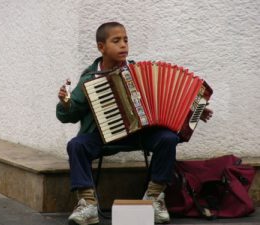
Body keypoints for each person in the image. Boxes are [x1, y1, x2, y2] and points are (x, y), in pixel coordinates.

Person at [56, 22, 213, 225]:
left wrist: (192, 111)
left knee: (168, 138)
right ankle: (87, 204)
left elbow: (164, 99)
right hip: (102, 136)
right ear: (101, 47)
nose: (123, 45)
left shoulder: (137, 71)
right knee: (76, 145)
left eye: (126, 40)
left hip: (139, 134)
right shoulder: (90, 77)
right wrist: (66, 103)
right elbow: (68, 115)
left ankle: (154, 198)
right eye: (116, 41)